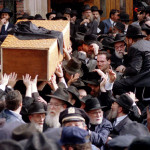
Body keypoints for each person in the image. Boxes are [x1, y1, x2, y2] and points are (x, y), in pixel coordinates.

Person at [113, 24, 150, 95]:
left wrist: (123, 70)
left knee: (116, 85)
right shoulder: (148, 43)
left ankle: (133, 102)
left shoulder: (134, 47)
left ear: (129, 39)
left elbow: (134, 70)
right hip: (146, 77)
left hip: (143, 79)